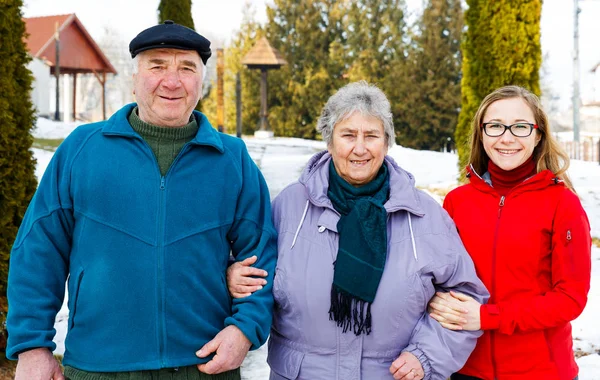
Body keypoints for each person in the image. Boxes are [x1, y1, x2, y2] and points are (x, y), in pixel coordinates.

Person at [6, 21, 277, 380]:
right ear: (134, 79)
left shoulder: (232, 159)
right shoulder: (81, 150)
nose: (172, 80)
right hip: (98, 368)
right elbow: (38, 252)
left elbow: (262, 256)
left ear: (201, 82)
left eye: (186, 68)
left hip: (204, 366)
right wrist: (32, 347)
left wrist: (245, 329)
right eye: (157, 66)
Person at [227, 81, 489, 379]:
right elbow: (255, 268)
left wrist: (426, 357)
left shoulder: (424, 213)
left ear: (387, 142)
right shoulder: (289, 205)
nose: (360, 148)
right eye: (348, 135)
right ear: (329, 141)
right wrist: (233, 275)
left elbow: (464, 295)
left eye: (372, 135)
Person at [427, 85, 592, 380]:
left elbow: (570, 298)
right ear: (481, 132)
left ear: (538, 134)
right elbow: (438, 279)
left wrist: (487, 317)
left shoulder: (562, 204)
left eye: (520, 126)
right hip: (465, 369)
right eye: (495, 126)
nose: (506, 137)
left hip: (541, 372)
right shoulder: (457, 201)